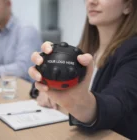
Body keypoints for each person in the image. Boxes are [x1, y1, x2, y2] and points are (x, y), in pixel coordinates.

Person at [28, 0, 137, 139]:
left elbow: (117, 103)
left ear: (128, 6)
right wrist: (45, 89)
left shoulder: (133, 51)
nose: (91, 2)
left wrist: (82, 103)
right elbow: (45, 83)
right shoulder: (86, 50)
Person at [0, 0, 42, 82]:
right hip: (6, 88)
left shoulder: (26, 30)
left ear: (8, 4)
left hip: (28, 90)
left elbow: (22, 69)